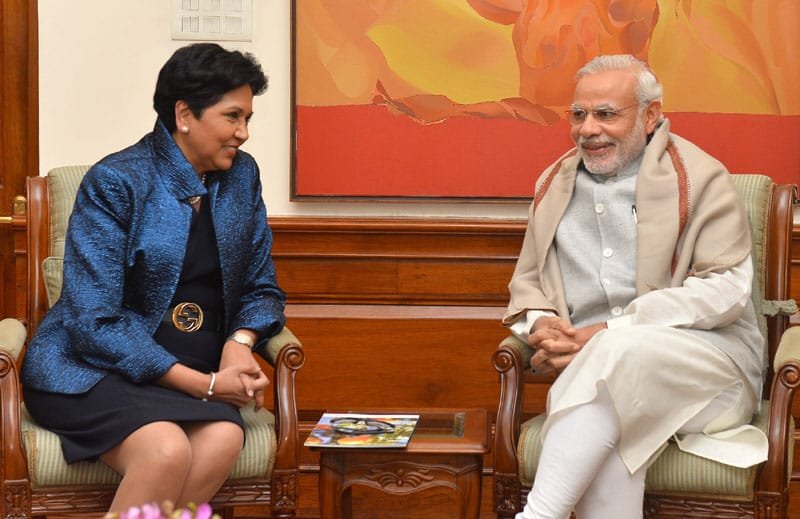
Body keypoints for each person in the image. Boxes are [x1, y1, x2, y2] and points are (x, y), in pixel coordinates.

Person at [20, 43, 286, 513]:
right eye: (232, 117)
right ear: (185, 114)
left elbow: (262, 290)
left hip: (193, 365)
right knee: (166, 449)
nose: (244, 133)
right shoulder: (117, 180)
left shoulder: (242, 178)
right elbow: (92, 321)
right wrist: (202, 386)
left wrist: (239, 342)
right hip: (90, 368)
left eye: (248, 118)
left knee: (224, 437)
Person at [504, 54, 767, 519]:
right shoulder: (554, 186)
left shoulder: (703, 178)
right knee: (610, 407)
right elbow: (530, 285)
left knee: (613, 356)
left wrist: (608, 331)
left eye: (606, 114)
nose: (588, 129)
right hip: (599, 383)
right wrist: (542, 324)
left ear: (650, 116)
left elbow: (726, 291)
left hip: (711, 375)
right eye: (579, 114)